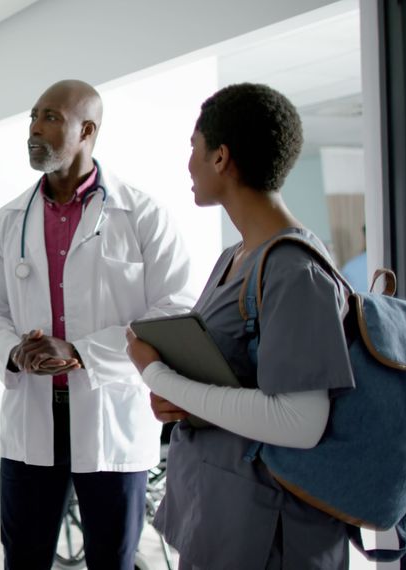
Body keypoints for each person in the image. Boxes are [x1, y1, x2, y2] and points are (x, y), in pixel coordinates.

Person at [125, 83, 354, 569]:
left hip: (272, 534)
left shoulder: (295, 271)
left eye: (194, 148)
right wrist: (178, 400)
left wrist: (159, 376)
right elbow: (231, 376)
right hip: (222, 515)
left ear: (220, 157)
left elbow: (300, 422)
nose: (188, 164)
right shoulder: (236, 258)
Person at [0, 79, 194, 570]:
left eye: (50, 117)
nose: (33, 129)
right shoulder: (8, 221)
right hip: (31, 421)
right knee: (23, 559)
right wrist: (14, 350)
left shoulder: (143, 215)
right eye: (32, 116)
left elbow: (174, 310)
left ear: (87, 129)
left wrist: (81, 352)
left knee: (112, 561)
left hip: (111, 418)